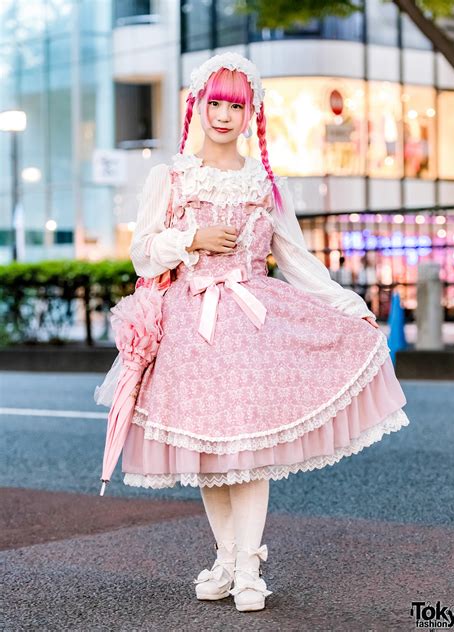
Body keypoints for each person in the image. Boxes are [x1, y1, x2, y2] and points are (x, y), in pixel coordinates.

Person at [102, 52, 410, 612]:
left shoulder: (265, 182)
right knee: (210, 453)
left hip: (252, 323)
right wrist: (189, 240)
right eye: (214, 102)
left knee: (248, 453)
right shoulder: (169, 177)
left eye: (235, 105)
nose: (223, 115)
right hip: (189, 330)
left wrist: (346, 303)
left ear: (252, 113)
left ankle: (247, 570)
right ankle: (226, 558)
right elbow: (142, 254)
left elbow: (296, 261)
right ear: (198, 105)